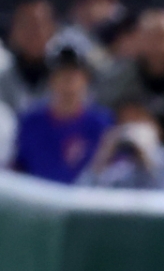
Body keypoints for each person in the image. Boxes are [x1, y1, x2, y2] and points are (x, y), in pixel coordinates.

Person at [96, 8, 164, 150]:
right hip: (128, 154)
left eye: (162, 36)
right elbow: (102, 115)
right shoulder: (118, 78)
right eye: (149, 36)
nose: (155, 44)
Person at [13, 35, 112, 184]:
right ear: (50, 79)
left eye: (74, 75)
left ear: (87, 80)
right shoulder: (30, 122)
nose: (68, 84)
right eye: (61, 74)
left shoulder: (102, 124)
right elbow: (18, 169)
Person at [77, 95, 164, 190]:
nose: (130, 127)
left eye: (138, 119)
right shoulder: (120, 173)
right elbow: (80, 200)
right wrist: (103, 155)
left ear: (157, 127)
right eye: (124, 121)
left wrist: (149, 157)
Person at [0, 0, 57, 114]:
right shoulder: (2, 79)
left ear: (52, 29)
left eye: (39, 25)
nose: (34, 32)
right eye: (26, 24)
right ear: (13, 31)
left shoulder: (67, 77)